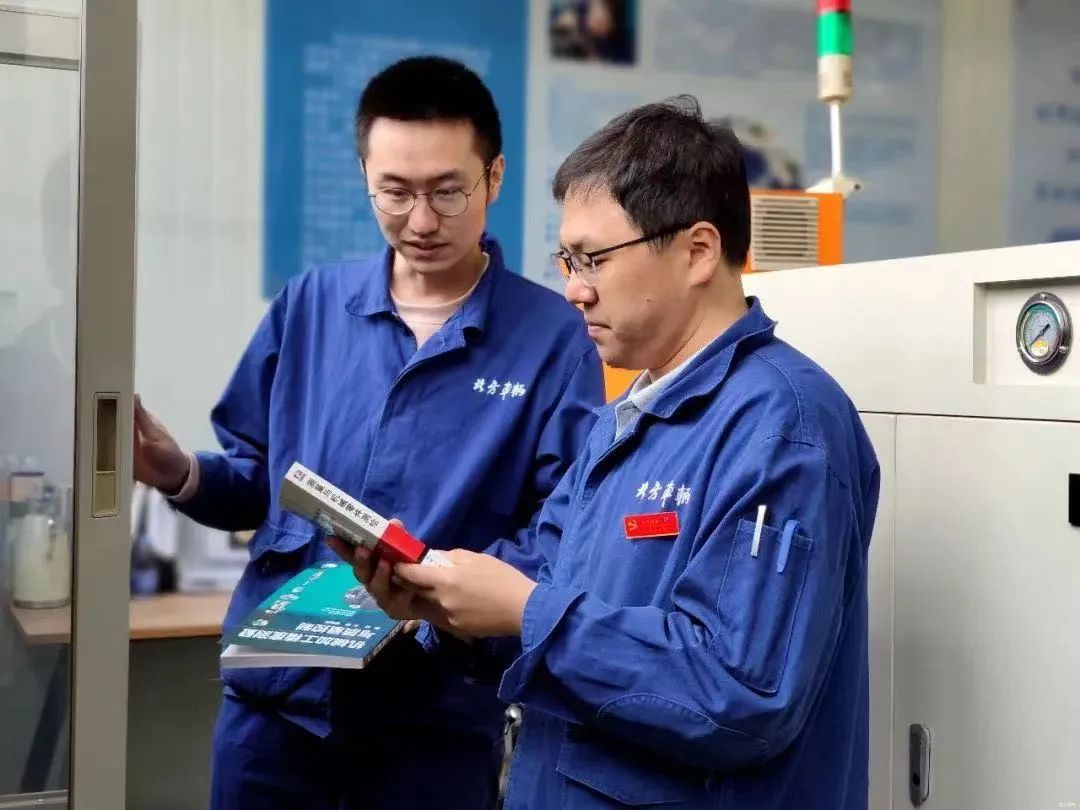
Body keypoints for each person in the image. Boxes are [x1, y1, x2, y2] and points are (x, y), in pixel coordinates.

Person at [342, 96, 881, 809]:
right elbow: (545, 582)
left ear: (698, 251)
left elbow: (739, 695)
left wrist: (526, 612)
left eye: (594, 259)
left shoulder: (784, 425)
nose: (574, 289)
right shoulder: (626, 417)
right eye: (567, 259)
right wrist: (443, 606)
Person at [133, 56, 604, 809]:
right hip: (274, 710)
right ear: (365, 176)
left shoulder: (554, 339)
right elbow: (258, 484)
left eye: (447, 191)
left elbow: (564, 531)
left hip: (433, 722)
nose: (421, 221)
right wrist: (177, 471)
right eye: (395, 191)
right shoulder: (310, 306)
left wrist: (436, 599)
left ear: (494, 177)